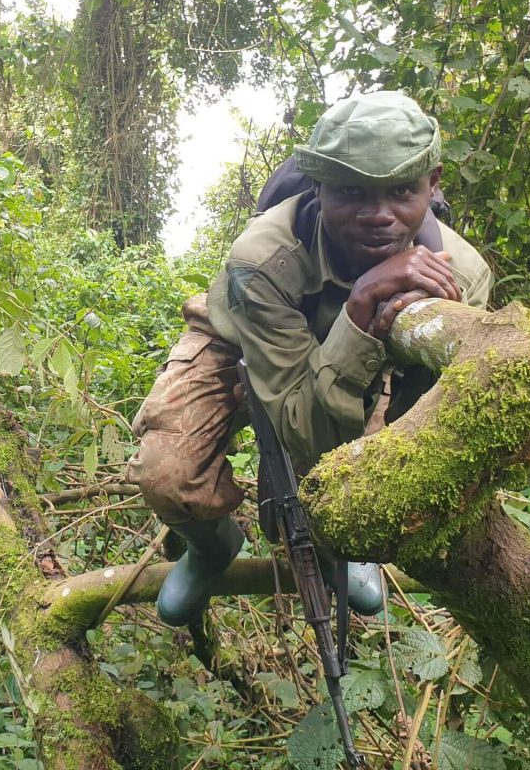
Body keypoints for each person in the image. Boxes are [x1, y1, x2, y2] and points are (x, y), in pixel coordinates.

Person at [128, 93, 492, 626]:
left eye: (400, 192)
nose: (379, 215)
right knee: (166, 473)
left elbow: (415, 425)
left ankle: (336, 549)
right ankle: (211, 548)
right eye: (352, 193)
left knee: (343, 482)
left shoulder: (461, 275)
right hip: (242, 329)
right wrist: (362, 303)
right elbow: (300, 424)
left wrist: (365, 334)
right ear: (318, 188)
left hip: (356, 356)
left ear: (432, 183)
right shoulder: (262, 259)